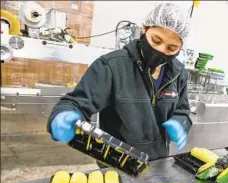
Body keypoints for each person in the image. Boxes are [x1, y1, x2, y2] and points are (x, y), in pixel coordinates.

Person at [47, 3, 192, 163]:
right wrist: (64, 116)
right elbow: (76, 103)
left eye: (171, 48)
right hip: (117, 162)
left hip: (157, 162)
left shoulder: (179, 74)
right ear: (144, 28)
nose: (161, 51)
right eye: (156, 41)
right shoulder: (111, 67)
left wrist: (180, 123)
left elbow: (183, 111)